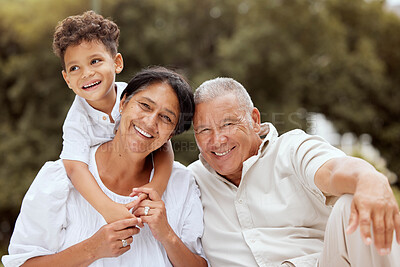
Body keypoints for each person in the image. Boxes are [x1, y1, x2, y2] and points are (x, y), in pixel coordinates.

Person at [2, 67, 207, 267]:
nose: (150, 122)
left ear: (171, 134)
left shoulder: (182, 183)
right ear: (123, 103)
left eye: (166, 118)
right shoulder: (59, 178)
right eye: (145, 105)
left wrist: (167, 235)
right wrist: (92, 249)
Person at [188, 77, 400, 267]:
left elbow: (334, 169)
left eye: (228, 124)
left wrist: (369, 178)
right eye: (204, 130)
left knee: (354, 203)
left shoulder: (292, 149)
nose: (217, 140)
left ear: (254, 120)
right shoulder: (191, 181)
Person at [53, 11, 173, 223]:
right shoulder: (76, 120)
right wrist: (107, 209)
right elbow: (74, 167)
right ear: (67, 79)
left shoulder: (136, 101)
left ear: (117, 62)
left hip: (137, 176)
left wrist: (156, 187)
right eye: (74, 68)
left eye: (95, 61)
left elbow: (164, 145)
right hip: (103, 189)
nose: (86, 73)